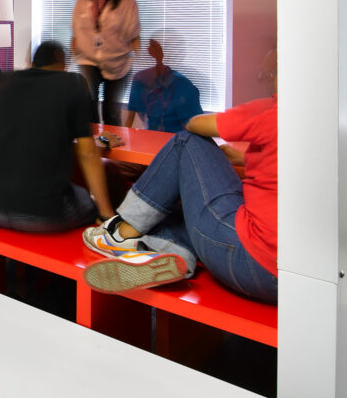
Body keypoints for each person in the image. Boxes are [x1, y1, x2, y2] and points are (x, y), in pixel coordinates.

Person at [80, 50, 278, 303]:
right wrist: (248, 158)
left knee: (187, 142)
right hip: (294, 277)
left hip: (248, 260)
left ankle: (121, 232)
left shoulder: (271, 110)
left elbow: (196, 125)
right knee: (184, 210)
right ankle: (165, 251)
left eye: (267, 74)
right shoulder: (326, 124)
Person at [0, 41, 115, 232]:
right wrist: (106, 214)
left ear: (33, 62)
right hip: (39, 215)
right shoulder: (73, 83)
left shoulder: (1, 82)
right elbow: (87, 153)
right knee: (87, 199)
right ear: (62, 62)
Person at [71, 0, 139, 126]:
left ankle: (110, 149)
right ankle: (90, 148)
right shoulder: (83, 0)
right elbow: (76, 33)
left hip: (118, 61)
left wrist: (139, 62)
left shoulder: (127, 1)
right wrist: (72, 58)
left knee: (112, 112)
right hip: (88, 59)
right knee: (87, 106)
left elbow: (134, 35)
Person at [123, 37, 203, 132]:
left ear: (159, 57)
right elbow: (130, 119)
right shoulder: (139, 79)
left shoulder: (184, 86)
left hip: (179, 139)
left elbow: (196, 126)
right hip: (152, 136)